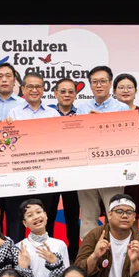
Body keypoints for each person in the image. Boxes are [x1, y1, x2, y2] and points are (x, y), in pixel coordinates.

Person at [76, 65, 130, 240]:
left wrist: (101, 122)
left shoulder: (121, 108)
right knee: (88, 214)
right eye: (94, 82)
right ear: (90, 85)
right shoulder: (82, 108)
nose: (98, 85)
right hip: (87, 168)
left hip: (111, 169)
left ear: (110, 83)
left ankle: (117, 253)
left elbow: (125, 139)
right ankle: (88, 256)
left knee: (114, 212)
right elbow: (76, 139)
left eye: (103, 81)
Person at [7, 72, 60, 234]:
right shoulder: (14, 114)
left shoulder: (53, 114)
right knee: (18, 218)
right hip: (20, 173)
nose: (34, 90)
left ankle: (46, 255)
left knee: (45, 216)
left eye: (38, 86)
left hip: (46, 174)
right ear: (23, 88)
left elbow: (60, 143)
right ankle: (16, 255)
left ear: (44, 89)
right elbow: (7, 143)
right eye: (30, 86)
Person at [0, 62, 27, 240]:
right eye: (0, 76)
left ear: (15, 80)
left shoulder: (24, 105)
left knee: (15, 217)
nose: (4, 80)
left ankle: (16, 258)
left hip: (15, 170)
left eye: (8, 76)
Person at [49, 78, 82, 259]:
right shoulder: (46, 114)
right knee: (48, 214)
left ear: (76, 95)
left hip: (73, 174)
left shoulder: (82, 115)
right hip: (50, 174)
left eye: (71, 91)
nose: (67, 95)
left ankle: (74, 255)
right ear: (55, 94)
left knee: (72, 216)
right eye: (63, 91)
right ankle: (49, 255)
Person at [114, 73, 139, 225]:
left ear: (136, 91)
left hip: (135, 170)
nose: (125, 90)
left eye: (129, 87)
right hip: (113, 170)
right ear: (114, 91)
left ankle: (134, 247)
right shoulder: (109, 113)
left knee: (132, 211)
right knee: (114, 211)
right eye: (121, 87)